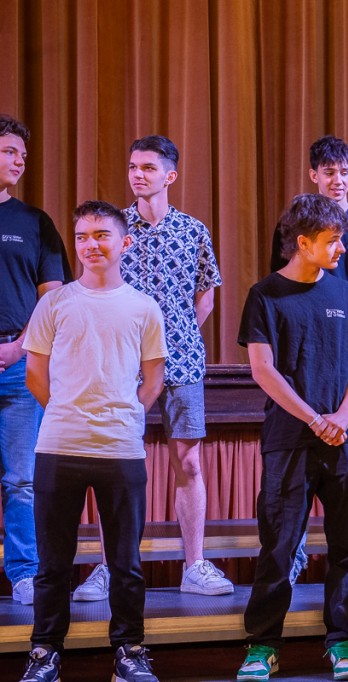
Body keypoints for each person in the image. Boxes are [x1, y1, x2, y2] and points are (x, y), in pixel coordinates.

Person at [68, 135, 231, 602]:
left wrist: (173, 336)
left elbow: (206, 295)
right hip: (122, 364)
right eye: (133, 167)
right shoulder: (115, 229)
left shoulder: (193, 230)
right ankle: (110, 566)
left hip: (182, 361)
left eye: (148, 168)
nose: (138, 174)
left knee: (189, 462)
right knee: (116, 465)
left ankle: (194, 565)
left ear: (169, 175)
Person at [20, 201, 166, 682]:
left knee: (125, 563)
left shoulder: (144, 307)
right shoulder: (54, 303)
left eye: (102, 235)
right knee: (52, 564)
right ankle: (45, 652)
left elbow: (153, 380)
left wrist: (123, 416)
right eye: (82, 236)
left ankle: (129, 651)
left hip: (120, 449)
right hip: (58, 446)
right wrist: (68, 412)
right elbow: (36, 375)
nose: (91, 245)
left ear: (125, 242)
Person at [237, 194, 348, 681]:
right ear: (303, 242)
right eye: (332, 240)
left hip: (346, 438)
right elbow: (263, 369)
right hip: (290, 439)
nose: (340, 249)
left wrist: (342, 415)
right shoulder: (265, 294)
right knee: (278, 546)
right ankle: (263, 645)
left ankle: (343, 641)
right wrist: (315, 419)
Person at [270, 135, 348, 588]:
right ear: (313, 175)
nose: (337, 180)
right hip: (302, 359)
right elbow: (278, 283)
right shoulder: (291, 226)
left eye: (344, 172)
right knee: (297, 463)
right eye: (328, 172)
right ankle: (293, 553)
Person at [0, 114, 72, 607]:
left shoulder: (35, 223)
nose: (20, 161)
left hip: (19, 367)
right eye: (10, 151)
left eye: (23, 155)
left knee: (21, 480)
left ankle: (25, 572)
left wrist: (18, 346)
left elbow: (53, 296)